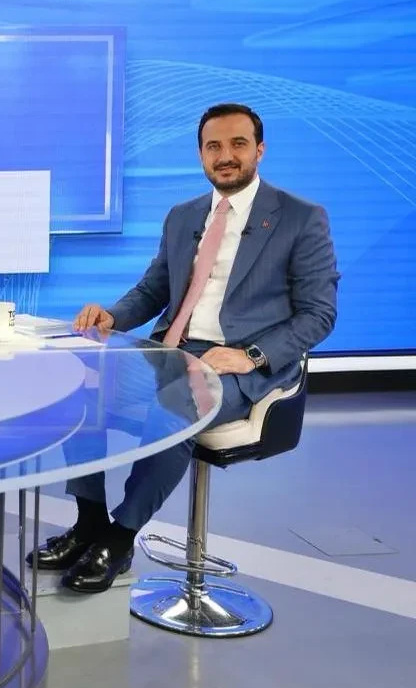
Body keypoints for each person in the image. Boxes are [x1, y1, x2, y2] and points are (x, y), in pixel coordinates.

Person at [28, 103, 339, 593]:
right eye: (214, 146)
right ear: (201, 155)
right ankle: (88, 522)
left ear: (259, 150)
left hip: (239, 363)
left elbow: (319, 314)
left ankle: (119, 538)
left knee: (179, 406)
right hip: (171, 352)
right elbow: (153, 289)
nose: (226, 156)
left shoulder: (300, 218)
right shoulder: (183, 216)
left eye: (238, 144)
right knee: (80, 384)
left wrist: (251, 356)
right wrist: (113, 316)